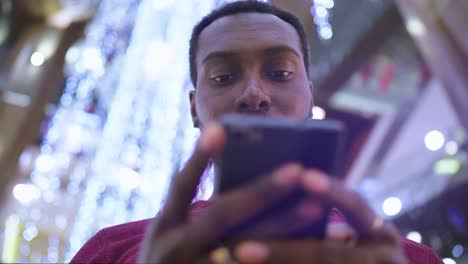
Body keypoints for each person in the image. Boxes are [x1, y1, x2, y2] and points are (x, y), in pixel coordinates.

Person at [71, 1, 443, 263]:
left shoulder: (396, 257)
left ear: (309, 94)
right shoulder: (114, 251)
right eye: (223, 77)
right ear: (193, 106)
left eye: (280, 73)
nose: (254, 94)